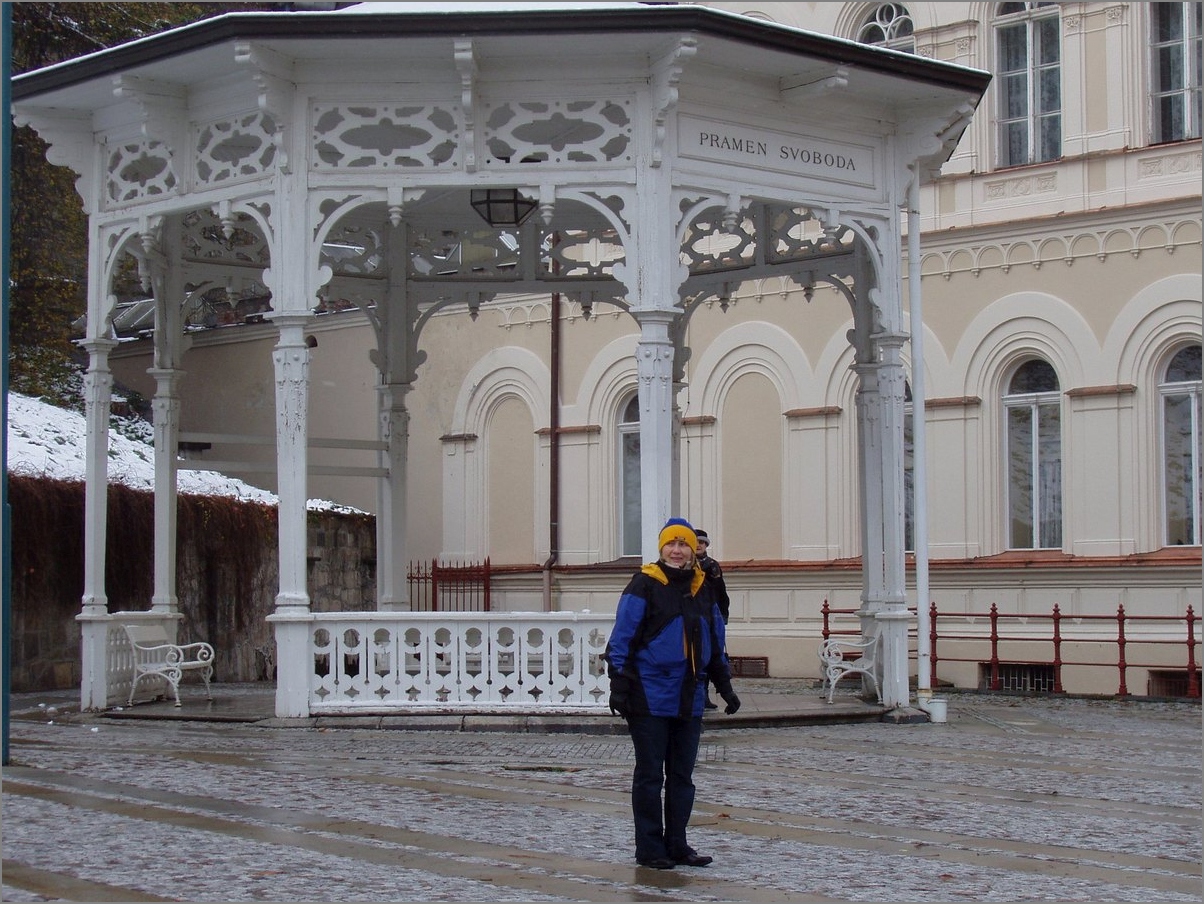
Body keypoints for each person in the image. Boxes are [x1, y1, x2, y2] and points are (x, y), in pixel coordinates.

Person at [604, 517, 741, 870]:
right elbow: (621, 640)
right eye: (671, 544)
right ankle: (650, 848)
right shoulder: (644, 584)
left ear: (693, 550)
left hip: (689, 696)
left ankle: (678, 844)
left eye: (683, 544)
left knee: (682, 778)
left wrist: (724, 685)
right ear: (662, 548)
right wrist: (619, 686)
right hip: (649, 696)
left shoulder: (702, 587)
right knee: (650, 776)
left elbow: (715, 641)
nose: (677, 551)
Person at [694, 529, 730, 709]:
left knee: (710, 655)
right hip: (694, 615)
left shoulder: (712, 565)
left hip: (711, 614)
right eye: (696, 542)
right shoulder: (687, 565)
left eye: (702, 542)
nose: (698, 545)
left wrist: (723, 614)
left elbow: (721, 591)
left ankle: (705, 695)